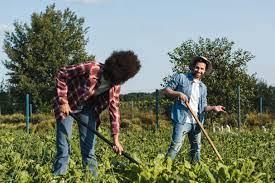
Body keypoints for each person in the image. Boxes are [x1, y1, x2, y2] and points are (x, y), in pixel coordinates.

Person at [52, 50, 141, 176]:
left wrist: (116, 139)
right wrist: (63, 101)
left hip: (88, 108)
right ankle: (59, 176)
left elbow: (114, 110)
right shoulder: (91, 67)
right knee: (64, 146)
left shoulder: (115, 85)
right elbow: (61, 73)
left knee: (89, 148)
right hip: (68, 103)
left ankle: (92, 177)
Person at [164, 56, 226, 163]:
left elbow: (203, 107)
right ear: (193, 67)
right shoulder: (181, 78)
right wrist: (178, 93)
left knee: (196, 148)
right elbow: (167, 90)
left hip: (197, 122)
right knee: (176, 146)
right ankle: (164, 167)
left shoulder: (203, 87)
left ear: (205, 71)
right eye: (197, 67)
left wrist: (213, 107)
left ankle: (195, 170)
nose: (199, 71)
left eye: (202, 69)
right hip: (182, 120)